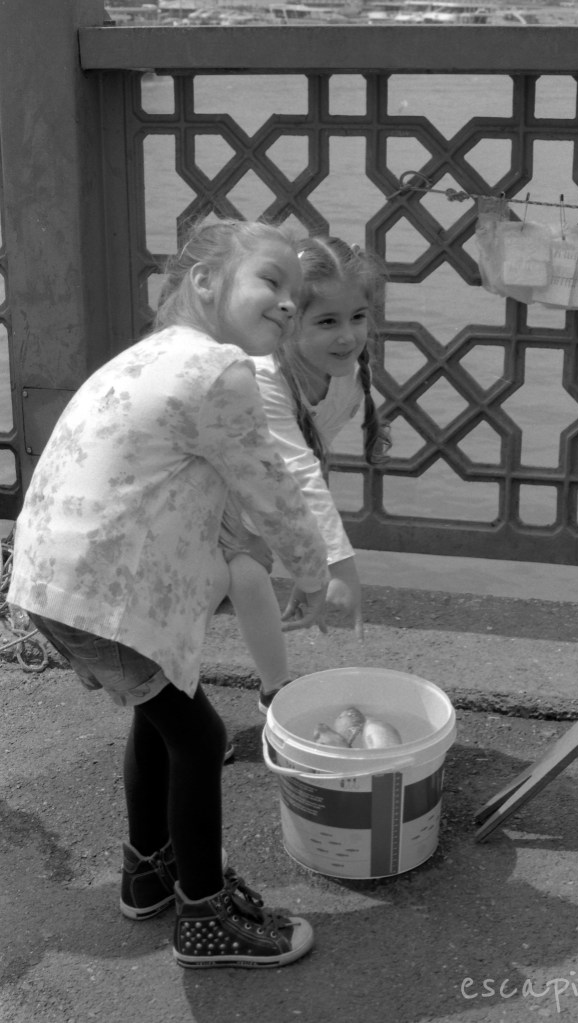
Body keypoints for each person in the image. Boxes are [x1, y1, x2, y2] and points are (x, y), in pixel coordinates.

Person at [7, 218, 331, 970]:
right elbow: (272, 489)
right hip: (101, 591)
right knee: (198, 736)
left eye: (297, 291)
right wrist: (311, 574)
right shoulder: (217, 370)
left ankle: (147, 871)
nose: (289, 303)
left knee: (162, 713)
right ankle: (204, 913)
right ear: (206, 283)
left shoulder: (155, 355)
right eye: (271, 282)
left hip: (56, 577)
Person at [210, 235, 391, 713]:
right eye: (327, 321)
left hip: (259, 491)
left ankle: (263, 691)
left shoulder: (347, 374)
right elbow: (298, 470)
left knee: (238, 580)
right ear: (288, 323)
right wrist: (338, 568)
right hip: (209, 494)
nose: (348, 336)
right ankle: (189, 707)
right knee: (226, 585)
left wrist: (307, 559)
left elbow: (309, 458)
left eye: (358, 317)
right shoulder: (262, 378)